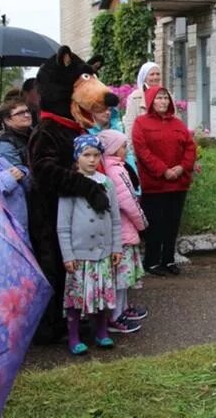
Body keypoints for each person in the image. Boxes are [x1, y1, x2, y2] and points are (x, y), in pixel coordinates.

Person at [57, 135, 122, 355]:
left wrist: (116, 248)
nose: (92, 160)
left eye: (96, 155)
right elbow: (63, 225)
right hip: (80, 256)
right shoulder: (70, 185)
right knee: (76, 299)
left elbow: (115, 218)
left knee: (102, 296)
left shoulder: (107, 183)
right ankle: (74, 336)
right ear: (77, 158)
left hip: (103, 254)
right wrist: (68, 255)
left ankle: (101, 331)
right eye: (86, 155)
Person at [132, 86, 197, 276]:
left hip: (178, 183)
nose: (163, 102)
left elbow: (190, 148)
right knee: (155, 224)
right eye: (159, 98)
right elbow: (142, 151)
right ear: (151, 101)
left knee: (172, 223)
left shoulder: (177, 124)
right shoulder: (141, 123)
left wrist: (180, 168)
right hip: (155, 184)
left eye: (165, 98)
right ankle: (151, 262)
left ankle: (168, 260)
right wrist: (163, 170)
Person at [97, 129, 148, 334]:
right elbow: (129, 201)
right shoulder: (116, 170)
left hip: (122, 229)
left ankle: (123, 309)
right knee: (121, 277)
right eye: (123, 146)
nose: (126, 150)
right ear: (113, 149)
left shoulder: (112, 167)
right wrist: (142, 223)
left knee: (124, 276)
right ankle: (116, 317)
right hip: (124, 230)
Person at [0, 98, 33, 174]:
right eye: (20, 113)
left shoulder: (34, 133)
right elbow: (21, 178)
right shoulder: (4, 145)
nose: (27, 115)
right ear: (7, 120)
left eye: (27, 111)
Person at [123, 62, 161, 140]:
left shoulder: (166, 95)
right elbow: (130, 124)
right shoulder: (135, 97)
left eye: (158, 74)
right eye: (152, 74)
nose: (156, 77)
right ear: (145, 77)